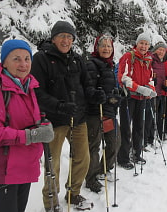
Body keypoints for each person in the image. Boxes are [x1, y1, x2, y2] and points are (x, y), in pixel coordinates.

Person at [31, 21, 105, 211]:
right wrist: (59, 106)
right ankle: (51, 202)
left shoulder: (77, 59)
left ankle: (73, 193)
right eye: (62, 36)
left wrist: (93, 94)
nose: (66, 40)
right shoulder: (41, 59)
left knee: (83, 158)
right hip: (53, 121)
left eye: (69, 37)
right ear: (54, 38)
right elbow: (37, 92)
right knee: (52, 164)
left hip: (78, 118)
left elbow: (86, 84)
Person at [0, 39, 54, 212]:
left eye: (27, 59)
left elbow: (29, 120)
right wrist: (31, 136)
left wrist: (43, 124)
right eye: (16, 59)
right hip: (3, 170)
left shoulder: (29, 86)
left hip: (25, 165)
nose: (23, 64)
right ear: (4, 62)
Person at [85, 34, 121, 193]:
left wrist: (117, 95)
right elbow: (87, 89)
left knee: (115, 142)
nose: (106, 49)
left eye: (109, 46)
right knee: (94, 146)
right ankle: (90, 178)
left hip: (109, 110)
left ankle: (104, 169)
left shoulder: (110, 65)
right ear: (97, 48)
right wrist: (98, 96)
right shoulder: (91, 64)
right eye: (103, 46)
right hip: (95, 112)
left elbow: (109, 88)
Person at [117, 32, 157, 169]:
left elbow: (151, 77)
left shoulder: (148, 60)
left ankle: (136, 152)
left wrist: (150, 88)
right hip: (128, 97)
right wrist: (139, 88)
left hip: (142, 98)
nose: (144, 46)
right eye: (142, 43)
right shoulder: (129, 57)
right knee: (126, 128)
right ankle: (122, 157)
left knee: (140, 126)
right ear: (137, 43)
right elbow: (123, 77)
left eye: (146, 44)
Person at [149, 41, 167, 141]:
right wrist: (152, 81)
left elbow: (162, 77)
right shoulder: (152, 59)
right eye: (160, 49)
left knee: (158, 115)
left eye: (163, 50)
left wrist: (164, 86)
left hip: (160, 92)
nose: (161, 52)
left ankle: (157, 134)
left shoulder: (161, 62)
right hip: (152, 92)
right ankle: (150, 137)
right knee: (152, 116)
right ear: (155, 50)